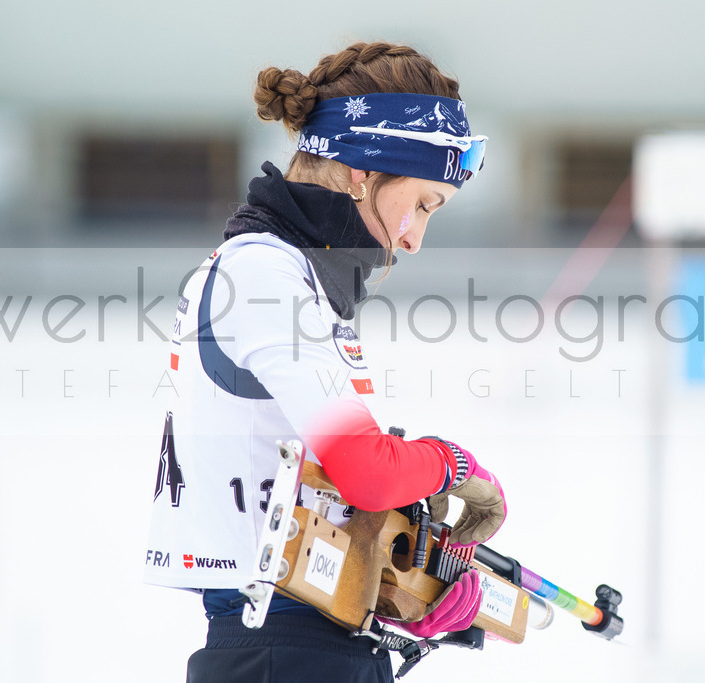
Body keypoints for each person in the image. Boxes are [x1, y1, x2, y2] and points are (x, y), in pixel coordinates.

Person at [143, 41, 507, 682]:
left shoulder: (292, 280)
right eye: (422, 204)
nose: (415, 239)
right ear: (364, 171)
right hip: (279, 647)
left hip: (300, 640)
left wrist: (400, 589)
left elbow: (311, 492)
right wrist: (451, 465)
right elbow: (366, 470)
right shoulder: (263, 274)